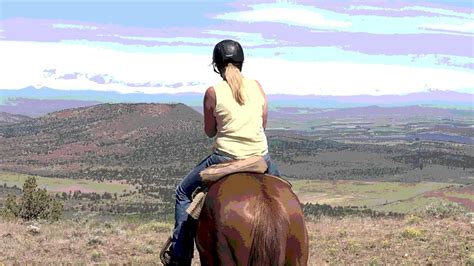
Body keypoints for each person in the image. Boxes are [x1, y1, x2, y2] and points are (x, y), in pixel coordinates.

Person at [162, 39, 281, 265]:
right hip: (260, 157)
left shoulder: (213, 92)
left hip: (225, 158)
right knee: (283, 192)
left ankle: (180, 256)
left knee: (183, 193)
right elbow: (262, 124)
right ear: (241, 62)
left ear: (217, 65)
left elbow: (209, 131)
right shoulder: (257, 86)